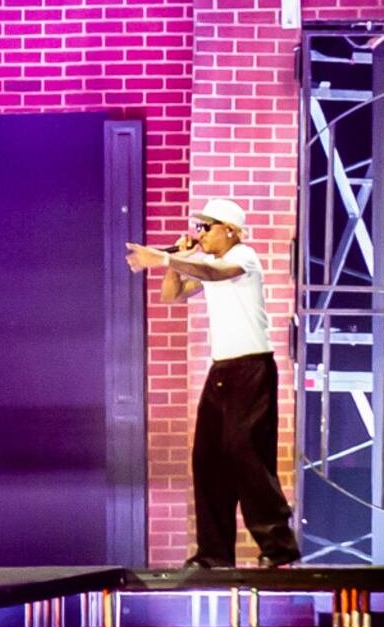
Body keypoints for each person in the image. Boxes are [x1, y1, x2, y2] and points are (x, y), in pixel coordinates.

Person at [128, 195, 299, 571]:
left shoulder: (245, 257)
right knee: (207, 458)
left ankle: (279, 546)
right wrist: (177, 260)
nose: (200, 234)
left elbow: (215, 275)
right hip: (221, 371)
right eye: (198, 227)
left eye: (207, 227)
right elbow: (172, 295)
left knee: (246, 450)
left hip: (252, 369)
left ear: (230, 230)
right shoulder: (205, 260)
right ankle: (213, 554)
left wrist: (165, 257)